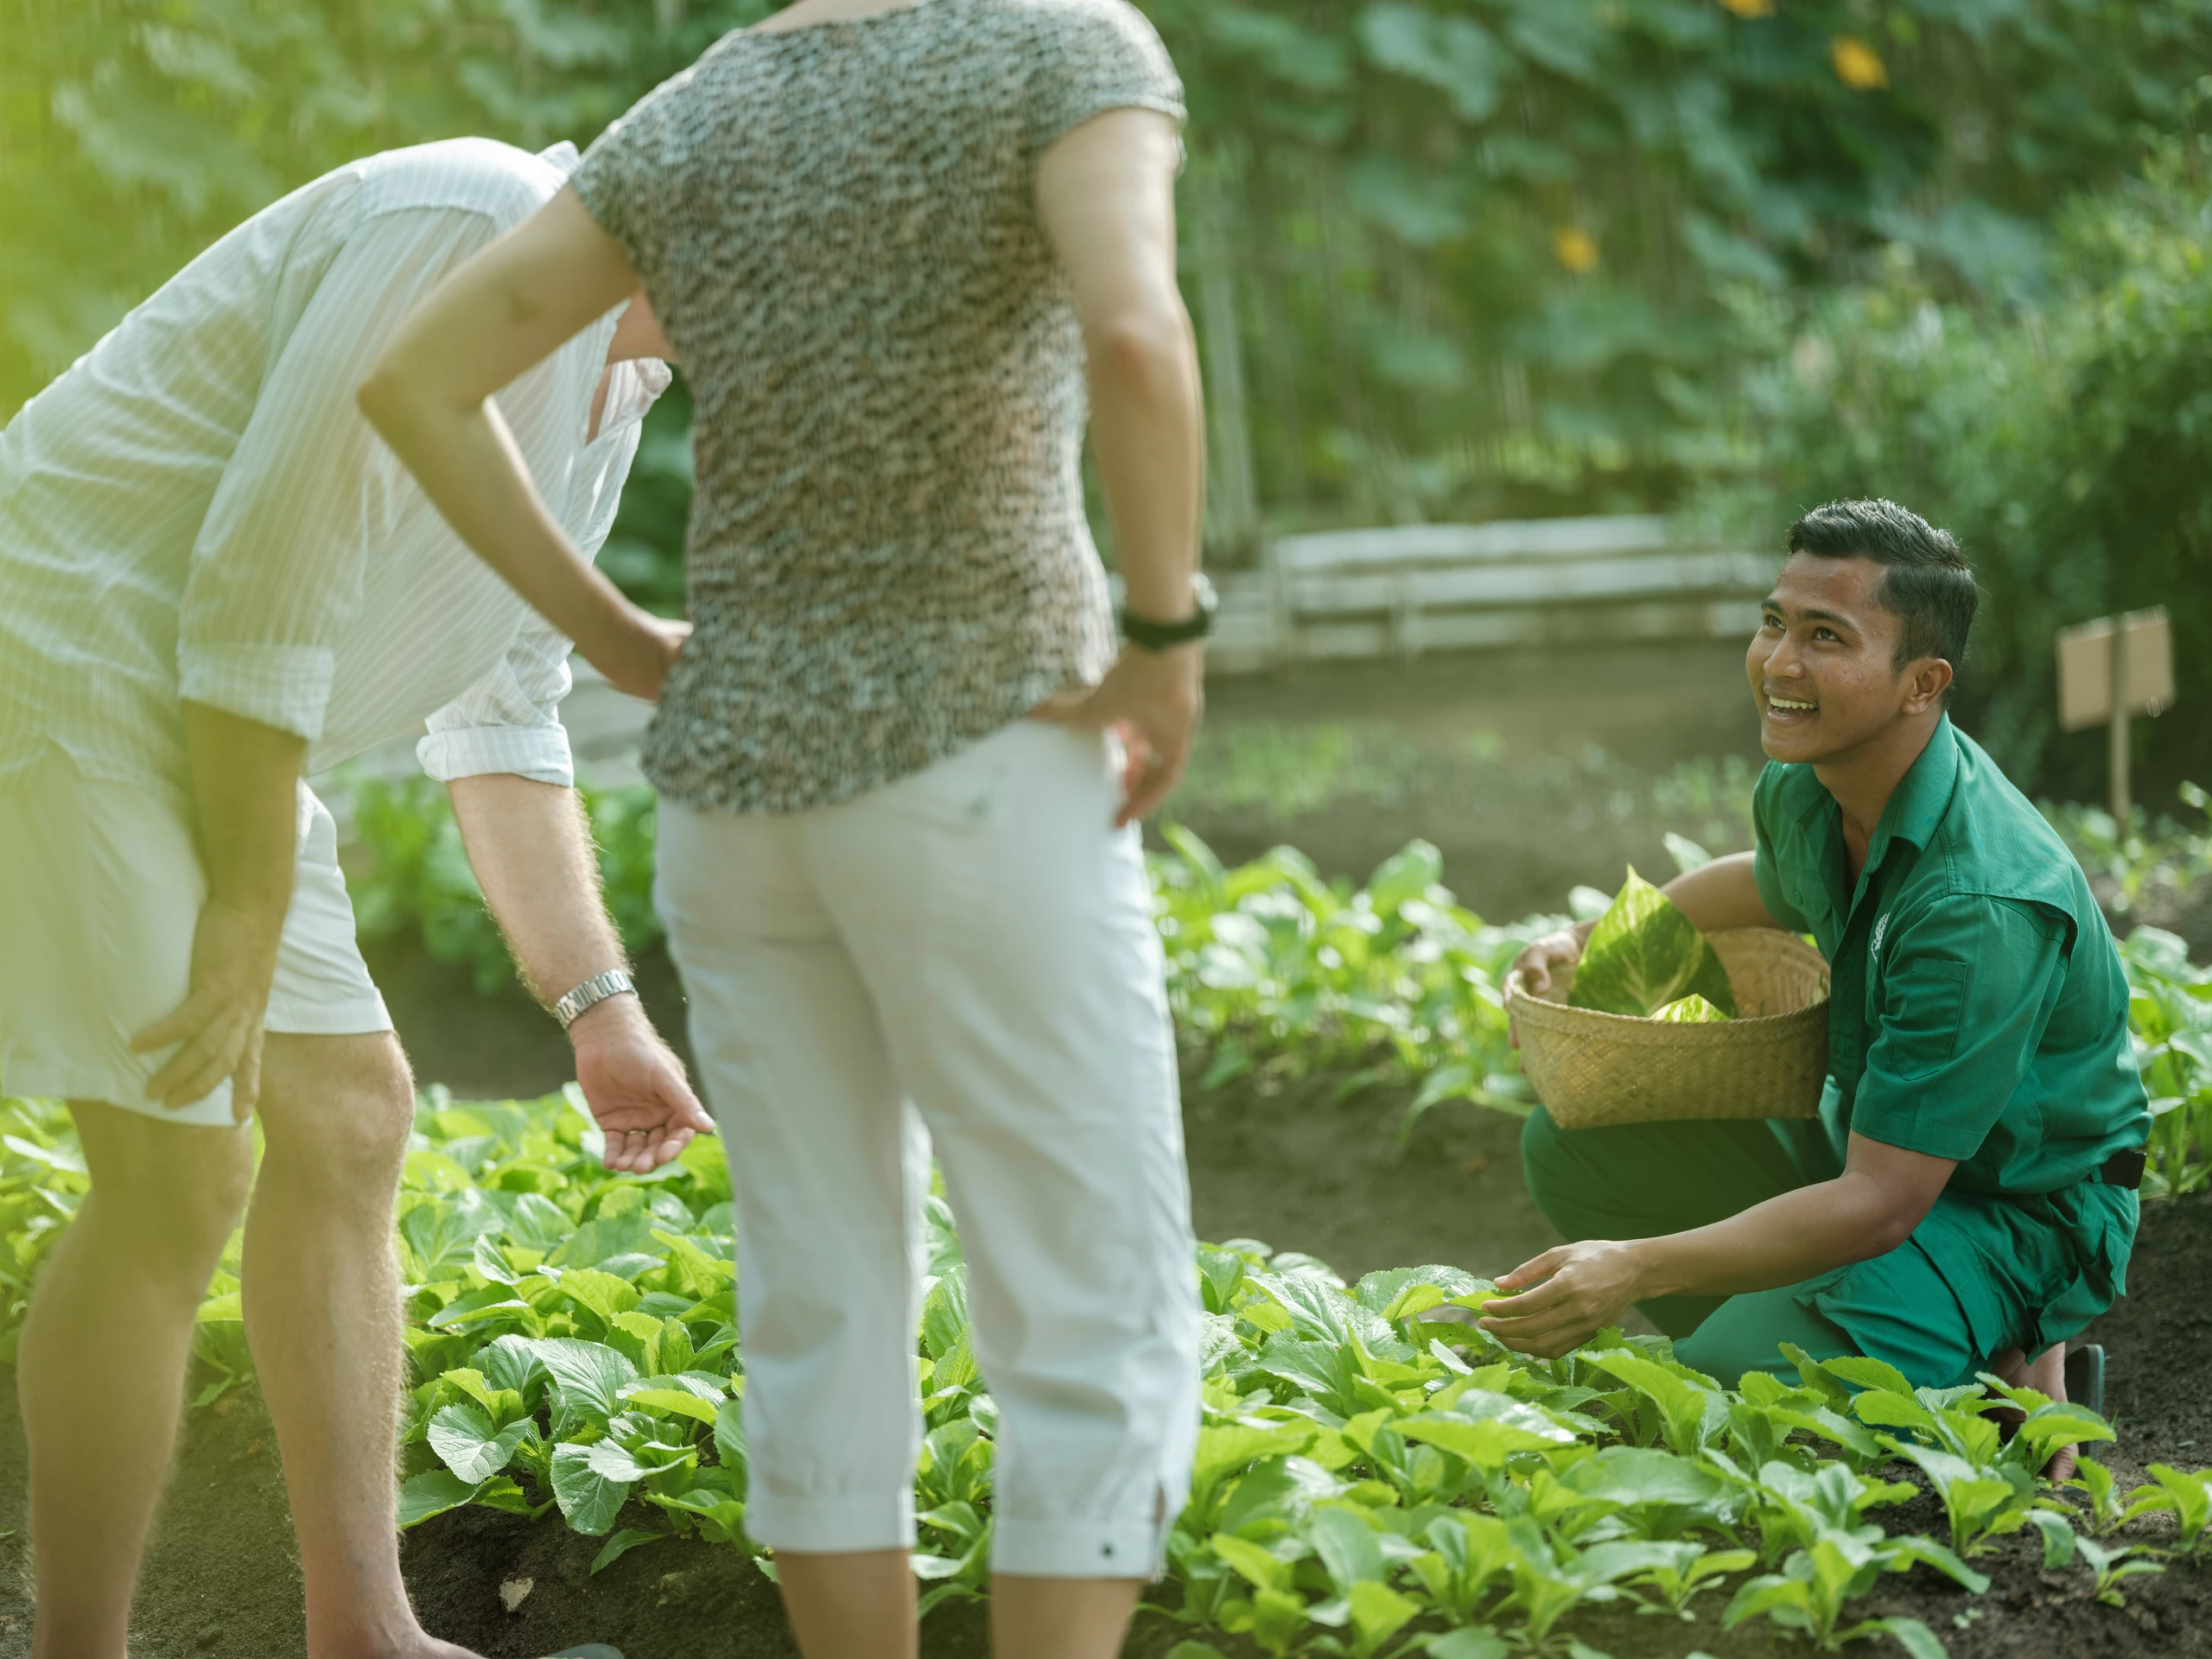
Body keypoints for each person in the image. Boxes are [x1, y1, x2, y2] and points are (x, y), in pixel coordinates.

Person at [357, 2, 1206, 1655]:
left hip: (738, 805)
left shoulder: (696, 106)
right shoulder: (1066, 45)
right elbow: (1135, 339)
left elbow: (417, 377)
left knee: (820, 1313)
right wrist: (1167, 638)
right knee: (1090, 1314)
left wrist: (612, 639)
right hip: (980, 748)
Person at [0, 137, 713, 1659]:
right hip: (62, 655)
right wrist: (251, 903)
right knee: (176, 1172)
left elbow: (503, 710)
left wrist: (601, 1012)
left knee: (348, 1118)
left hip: (213, 723)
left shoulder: (612, 390)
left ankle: (364, 1632)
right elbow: (262, 573)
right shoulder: (477, 219)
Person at [1486, 499, 2148, 1451]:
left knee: (1739, 1388)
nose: (1779, 664)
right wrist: (1591, 938)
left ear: (1921, 683)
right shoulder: (1813, 779)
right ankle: (1882, 1334)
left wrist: (1635, 1267)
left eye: (1825, 637)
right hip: (1880, 1157)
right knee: (1574, 1145)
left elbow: (1883, 1202)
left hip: (2016, 1206)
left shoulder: (1978, 905)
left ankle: (2010, 1347)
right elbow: (1765, 883)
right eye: (1774, 623)